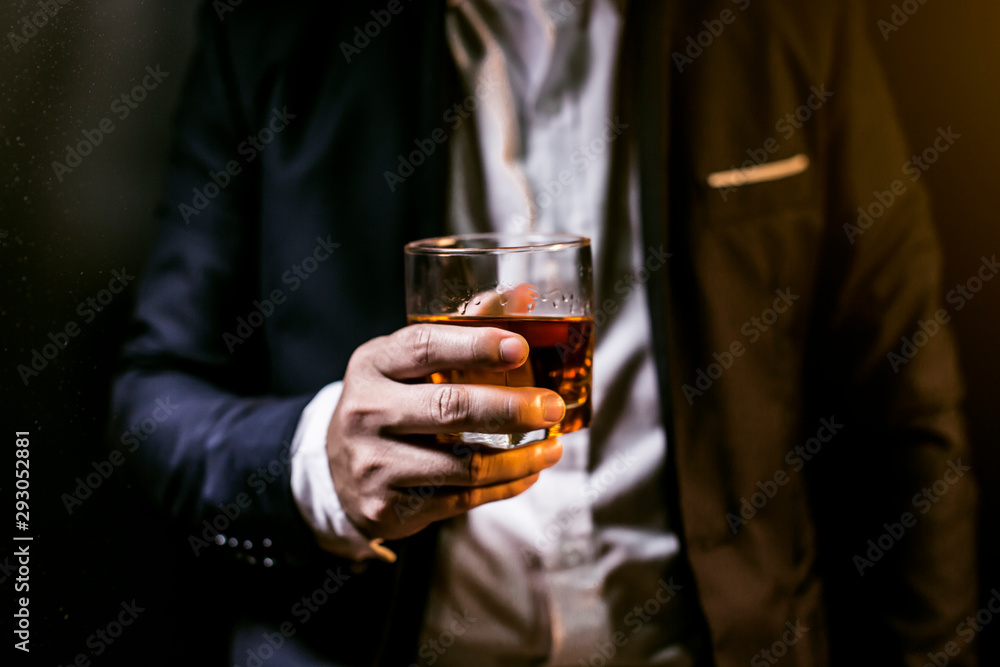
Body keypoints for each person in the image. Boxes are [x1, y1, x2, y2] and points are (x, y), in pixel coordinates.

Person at [110, 0, 978, 665]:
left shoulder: (791, 22)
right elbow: (154, 395)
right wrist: (320, 467)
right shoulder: (269, 27)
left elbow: (911, 410)